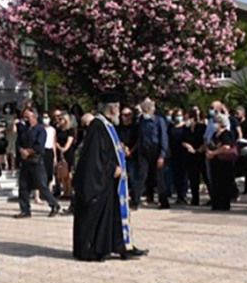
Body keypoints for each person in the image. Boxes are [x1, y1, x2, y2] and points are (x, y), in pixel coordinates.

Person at [73, 92, 146, 262]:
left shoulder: (107, 126)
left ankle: (120, 245)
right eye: (118, 108)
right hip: (102, 180)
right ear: (112, 108)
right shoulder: (98, 126)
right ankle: (95, 249)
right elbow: (93, 157)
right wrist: (112, 167)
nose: (120, 111)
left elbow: (105, 151)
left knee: (114, 214)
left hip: (112, 183)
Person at [14, 107, 60, 219]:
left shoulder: (40, 130)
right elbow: (18, 142)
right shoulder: (24, 129)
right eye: (24, 117)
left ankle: (54, 204)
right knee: (23, 186)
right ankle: (25, 210)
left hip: (36, 160)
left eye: (28, 117)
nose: (25, 119)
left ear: (34, 117)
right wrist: (21, 151)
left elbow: (39, 146)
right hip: (25, 161)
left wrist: (29, 151)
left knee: (41, 185)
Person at [136, 99, 170, 209]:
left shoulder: (159, 121)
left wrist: (162, 155)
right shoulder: (141, 121)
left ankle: (163, 201)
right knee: (142, 175)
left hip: (156, 150)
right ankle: (136, 201)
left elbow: (163, 138)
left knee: (159, 178)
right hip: (144, 151)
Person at [208, 114, 237, 211]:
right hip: (214, 161)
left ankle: (224, 204)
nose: (214, 124)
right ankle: (216, 203)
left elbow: (226, 147)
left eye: (216, 122)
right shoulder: (214, 134)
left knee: (224, 183)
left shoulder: (226, 134)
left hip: (224, 162)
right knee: (215, 182)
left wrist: (214, 152)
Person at [168, 109, 190, 205]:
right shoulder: (170, 127)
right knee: (176, 176)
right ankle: (179, 195)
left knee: (184, 176)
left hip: (184, 154)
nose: (178, 117)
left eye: (180, 115)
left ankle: (183, 195)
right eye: (177, 115)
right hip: (174, 154)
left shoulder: (185, 127)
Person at [54, 110, 76, 199]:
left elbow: (69, 142)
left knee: (69, 173)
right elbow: (55, 140)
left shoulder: (70, 130)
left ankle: (69, 191)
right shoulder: (58, 130)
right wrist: (59, 147)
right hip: (60, 152)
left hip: (68, 152)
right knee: (62, 173)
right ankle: (65, 191)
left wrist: (64, 149)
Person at [235, 106, 247, 196]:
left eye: (238, 113)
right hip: (237, 146)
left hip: (246, 146)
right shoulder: (236, 122)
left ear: (243, 113)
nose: (236, 115)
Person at [42, 111, 57, 193]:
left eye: (47, 117)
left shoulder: (52, 130)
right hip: (42, 150)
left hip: (49, 150)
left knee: (49, 172)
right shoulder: (40, 128)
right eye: (44, 117)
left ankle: (49, 190)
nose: (45, 119)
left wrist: (55, 156)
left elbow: (53, 142)